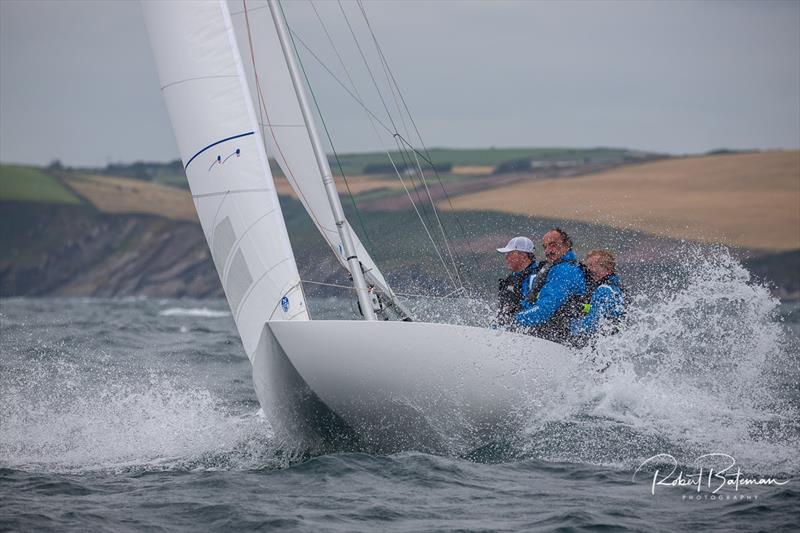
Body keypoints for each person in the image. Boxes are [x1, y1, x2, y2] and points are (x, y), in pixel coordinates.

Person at [515, 228, 586, 344]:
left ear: (566, 245)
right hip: (550, 338)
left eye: (553, 245)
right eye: (545, 247)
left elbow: (545, 308)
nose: (548, 251)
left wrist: (514, 320)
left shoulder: (565, 272)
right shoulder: (553, 269)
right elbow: (532, 302)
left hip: (560, 342)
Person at [571, 249, 625, 343]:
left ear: (608, 269)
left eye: (593, 265)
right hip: (615, 342)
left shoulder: (604, 290)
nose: (589, 270)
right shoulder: (616, 288)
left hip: (603, 344)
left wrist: (571, 326)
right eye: (588, 265)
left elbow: (592, 324)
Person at [495, 236, 539, 328]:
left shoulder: (535, 278)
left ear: (523, 256)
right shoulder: (510, 279)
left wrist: (512, 319)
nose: (506, 257)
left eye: (510, 253)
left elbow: (535, 308)